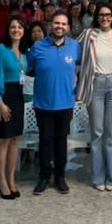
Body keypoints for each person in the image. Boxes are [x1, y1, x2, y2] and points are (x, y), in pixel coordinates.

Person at [26, 11, 81, 195]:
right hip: (43, 104)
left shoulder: (75, 47)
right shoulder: (38, 46)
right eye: (57, 23)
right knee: (45, 140)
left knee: (61, 141)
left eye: (63, 24)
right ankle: (44, 176)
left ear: (68, 27)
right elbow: (27, 66)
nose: (60, 27)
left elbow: (83, 67)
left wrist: (78, 90)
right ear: (51, 25)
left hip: (65, 103)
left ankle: (60, 177)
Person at [77, 4, 112, 192]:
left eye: (108, 15)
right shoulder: (89, 34)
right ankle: (98, 177)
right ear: (97, 17)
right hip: (96, 84)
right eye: (101, 15)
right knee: (97, 133)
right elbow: (72, 47)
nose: (105, 18)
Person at [0, 16, 26, 199]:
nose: (16, 30)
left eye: (19, 27)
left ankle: (11, 179)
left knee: (15, 139)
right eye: (13, 27)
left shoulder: (23, 53)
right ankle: (0, 181)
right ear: (8, 30)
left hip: (18, 96)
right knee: (3, 139)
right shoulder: (0, 50)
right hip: (2, 96)